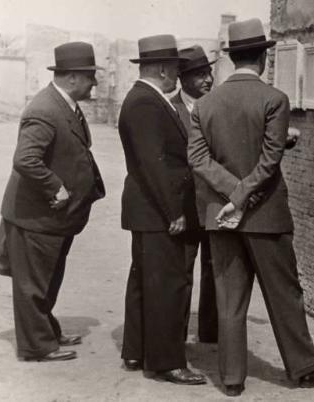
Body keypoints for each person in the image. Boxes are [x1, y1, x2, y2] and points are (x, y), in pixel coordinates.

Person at [188, 18, 314, 396]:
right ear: (262, 57)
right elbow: (268, 160)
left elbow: (198, 158)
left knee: (229, 298)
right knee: (284, 294)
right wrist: (243, 196)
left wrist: (230, 195)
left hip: (220, 217)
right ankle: (305, 368)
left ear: (232, 58)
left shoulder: (205, 104)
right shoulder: (274, 99)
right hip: (266, 214)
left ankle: (231, 378)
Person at [0, 41, 106, 362]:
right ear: (71, 78)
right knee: (33, 284)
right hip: (36, 215)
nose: (93, 83)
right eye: (89, 77)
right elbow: (25, 159)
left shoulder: (62, 103)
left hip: (53, 218)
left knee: (47, 277)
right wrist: (56, 186)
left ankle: (47, 332)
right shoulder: (44, 109)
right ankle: (36, 346)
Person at [117, 34, 206, 385]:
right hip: (158, 212)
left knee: (144, 281)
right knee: (167, 284)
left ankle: (137, 350)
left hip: (147, 211)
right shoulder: (146, 103)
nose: (176, 75)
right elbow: (155, 165)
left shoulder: (145, 100)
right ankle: (167, 361)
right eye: (175, 68)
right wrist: (174, 212)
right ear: (165, 69)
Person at [170, 45, 218, 344]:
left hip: (213, 204)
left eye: (209, 72)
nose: (208, 80)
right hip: (186, 206)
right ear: (183, 78)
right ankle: (176, 336)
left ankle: (211, 333)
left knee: (215, 269)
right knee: (182, 271)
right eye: (200, 75)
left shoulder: (216, 106)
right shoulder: (168, 108)